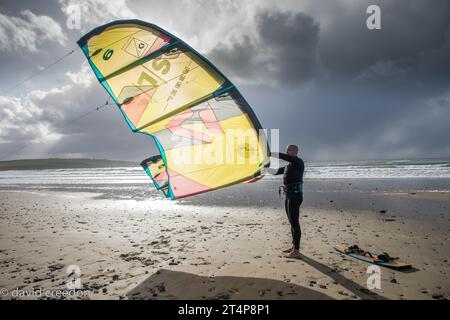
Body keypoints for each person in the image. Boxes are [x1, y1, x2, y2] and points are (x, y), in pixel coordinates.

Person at [271, 145, 305, 258]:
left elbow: (286, 157)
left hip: (295, 196)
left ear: (295, 151)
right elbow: (274, 171)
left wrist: (271, 153)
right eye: (287, 150)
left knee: (295, 223)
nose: (287, 152)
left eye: (290, 150)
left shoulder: (298, 162)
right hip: (289, 195)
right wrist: (261, 166)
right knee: (291, 222)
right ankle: (294, 246)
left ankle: (297, 251)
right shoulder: (288, 166)